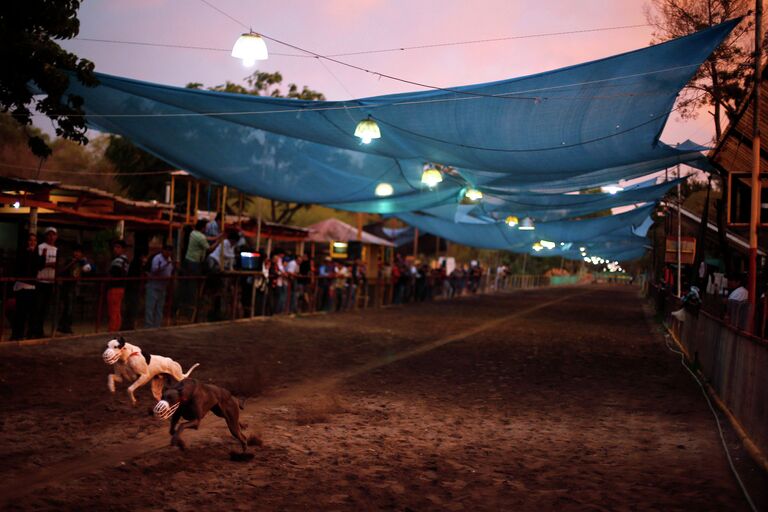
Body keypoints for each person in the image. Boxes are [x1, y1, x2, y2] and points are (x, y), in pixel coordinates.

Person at [58, 243, 93, 334]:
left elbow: (88, 269)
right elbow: (63, 271)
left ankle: (64, 325)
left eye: (79, 252)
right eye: (76, 251)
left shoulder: (82, 262)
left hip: (75, 286)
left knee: (71, 307)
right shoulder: (70, 261)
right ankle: (64, 326)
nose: (77, 254)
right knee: (68, 307)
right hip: (67, 286)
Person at [30, 227, 58, 338]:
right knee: (37, 307)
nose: (51, 237)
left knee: (45, 309)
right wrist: (49, 264)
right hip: (40, 281)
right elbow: (37, 263)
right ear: (46, 236)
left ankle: (39, 330)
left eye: (53, 235)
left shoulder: (56, 249)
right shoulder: (40, 247)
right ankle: (34, 330)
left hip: (50, 281)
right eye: (49, 235)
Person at [11, 232, 38, 340]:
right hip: (22, 286)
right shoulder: (22, 253)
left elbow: (37, 268)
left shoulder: (36, 254)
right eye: (30, 240)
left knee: (31, 312)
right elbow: (20, 268)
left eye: (34, 241)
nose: (32, 242)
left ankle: (29, 333)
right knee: (20, 313)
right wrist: (28, 254)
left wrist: (33, 254)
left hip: (32, 286)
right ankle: (17, 334)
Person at [145, 244, 174, 328]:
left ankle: (157, 326)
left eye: (170, 251)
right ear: (163, 250)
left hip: (163, 286)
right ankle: (148, 326)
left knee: (159, 308)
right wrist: (164, 265)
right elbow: (154, 271)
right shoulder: (157, 258)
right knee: (150, 307)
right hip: (153, 285)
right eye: (167, 250)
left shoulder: (169, 259)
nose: (168, 253)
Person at [107, 240, 130, 332]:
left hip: (115, 287)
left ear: (123, 249)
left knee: (114, 310)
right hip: (121, 287)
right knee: (116, 309)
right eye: (115, 247)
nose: (115, 249)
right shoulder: (126, 260)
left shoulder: (118, 261)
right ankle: (115, 327)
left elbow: (114, 273)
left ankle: (113, 329)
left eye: (118, 247)